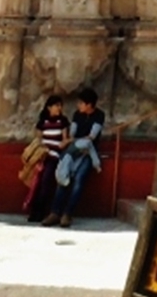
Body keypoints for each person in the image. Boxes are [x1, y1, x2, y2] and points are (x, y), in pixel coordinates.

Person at [44, 86, 105, 228]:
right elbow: (72, 134)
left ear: (89, 105)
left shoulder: (99, 115)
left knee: (79, 179)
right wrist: (74, 140)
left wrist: (74, 140)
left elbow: (92, 137)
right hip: (74, 150)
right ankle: (55, 212)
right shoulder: (77, 115)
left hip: (89, 152)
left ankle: (67, 214)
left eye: (81, 103)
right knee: (63, 176)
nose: (78, 106)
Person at [21, 93, 69, 224]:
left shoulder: (63, 121)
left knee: (46, 182)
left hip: (54, 157)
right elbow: (38, 139)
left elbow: (64, 140)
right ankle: (34, 212)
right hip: (42, 156)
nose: (59, 108)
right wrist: (42, 150)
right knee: (36, 183)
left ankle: (41, 211)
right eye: (56, 105)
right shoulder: (43, 122)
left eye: (60, 105)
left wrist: (64, 143)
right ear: (49, 107)